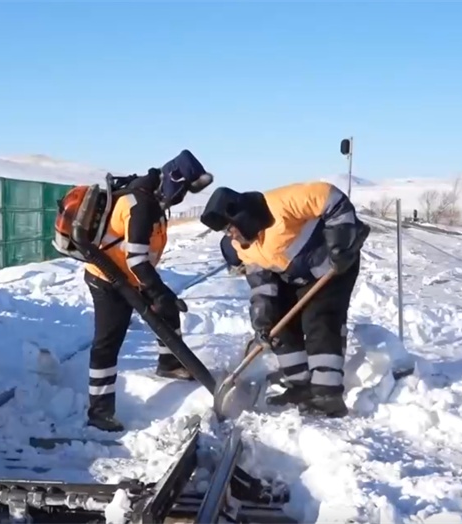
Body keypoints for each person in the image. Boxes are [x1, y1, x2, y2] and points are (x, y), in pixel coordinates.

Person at [200, 181, 370, 418]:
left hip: (336, 264)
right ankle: (300, 386)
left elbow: (332, 198)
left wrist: (340, 243)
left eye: (230, 228)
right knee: (278, 324)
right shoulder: (242, 247)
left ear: (241, 216)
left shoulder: (281, 203)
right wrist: (262, 323)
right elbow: (262, 287)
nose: (231, 235)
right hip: (298, 276)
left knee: (319, 319)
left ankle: (327, 394)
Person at [84, 150, 214, 432]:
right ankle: (99, 411)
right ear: (173, 181)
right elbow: (136, 259)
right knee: (107, 342)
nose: (182, 197)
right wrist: (157, 291)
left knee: (168, 310)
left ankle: (170, 364)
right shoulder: (140, 204)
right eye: (183, 190)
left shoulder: (151, 198)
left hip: (131, 276)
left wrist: (159, 294)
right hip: (107, 278)